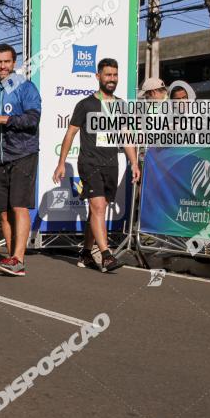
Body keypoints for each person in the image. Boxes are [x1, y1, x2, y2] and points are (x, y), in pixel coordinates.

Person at [52, 58, 140, 273]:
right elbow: (70, 133)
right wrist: (61, 162)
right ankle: (106, 255)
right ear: (98, 76)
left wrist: (134, 162)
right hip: (89, 163)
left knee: (96, 210)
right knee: (98, 207)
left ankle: (85, 252)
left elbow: (126, 135)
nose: (112, 79)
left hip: (111, 164)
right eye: (108, 75)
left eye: (115, 75)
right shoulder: (85, 104)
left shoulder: (120, 105)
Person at [0, 44, 42, 277]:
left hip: (23, 153)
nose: (2, 66)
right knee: (2, 212)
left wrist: (1, 119)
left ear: (14, 63)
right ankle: (12, 258)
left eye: (7, 62)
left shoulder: (26, 87)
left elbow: (33, 119)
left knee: (18, 206)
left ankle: (18, 259)